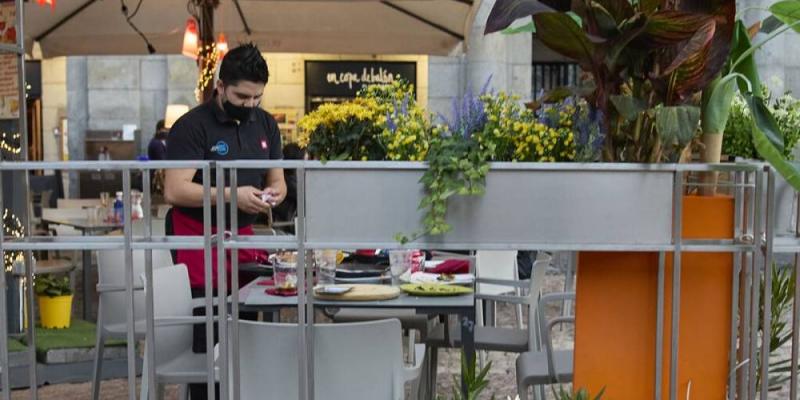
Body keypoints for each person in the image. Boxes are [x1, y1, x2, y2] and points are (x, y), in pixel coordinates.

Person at [163, 43, 286, 400]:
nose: (249, 105)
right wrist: (233, 193)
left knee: (249, 329)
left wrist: (273, 193)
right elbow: (175, 189)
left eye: (256, 98)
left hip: (243, 237)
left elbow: (275, 178)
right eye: (241, 96)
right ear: (220, 87)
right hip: (196, 239)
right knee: (212, 340)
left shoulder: (265, 123)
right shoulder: (191, 126)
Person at [270, 142, 304, 233]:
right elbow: (306, 197)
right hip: (289, 223)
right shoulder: (289, 181)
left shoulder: (281, 177)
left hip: (284, 220)